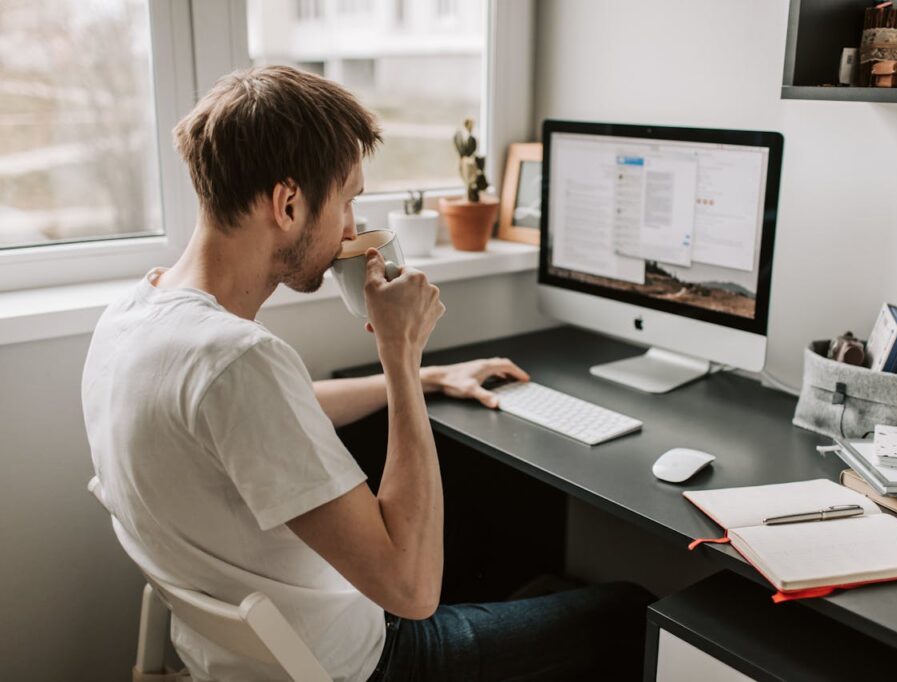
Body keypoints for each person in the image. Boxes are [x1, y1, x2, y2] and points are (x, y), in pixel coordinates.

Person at [82, 65, 652, 682]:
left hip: (231, 658)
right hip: (365, 664)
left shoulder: (133, 315)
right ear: (289, 203)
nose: (352, 230)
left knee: (508, 562)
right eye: (348, 199)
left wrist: (428, 379)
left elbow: (263, 417)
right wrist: (402, 358)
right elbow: (411, 592)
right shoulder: (239, 360)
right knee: (630, 612)